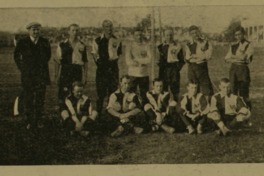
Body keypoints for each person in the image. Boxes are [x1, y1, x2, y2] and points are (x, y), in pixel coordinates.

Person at [14, 22, 51, 130]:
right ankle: (29, 121)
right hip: (28, 76)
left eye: (38, 29)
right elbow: (16, 56)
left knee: (40, 98)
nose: (36, 32)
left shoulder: (44, 42)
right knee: (28, 99)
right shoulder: (23, 42)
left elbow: (48, 56)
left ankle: (39, 120)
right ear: (29, 30)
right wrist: (23, 68)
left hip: (41, 75)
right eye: (34, 29)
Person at [91, 20, 122, 115]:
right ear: (103, 28)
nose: (109, 29)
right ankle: (99, 115)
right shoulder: (97, 40)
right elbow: (95, 55)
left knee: (112, 93)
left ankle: (111, 114)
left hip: (113, 69)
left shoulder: (117, 39)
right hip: (102, 69)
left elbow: (119, 54)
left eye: (111, 26)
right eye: (107, 27)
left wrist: (112, 63)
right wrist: (103, 65)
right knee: (101, 94)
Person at [56, 24, 88, 104]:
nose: (75, 32)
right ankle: (64, 112)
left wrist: (85, 76)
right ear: (69, 32)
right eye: (73, 30)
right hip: (65, 71)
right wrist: (57, 75)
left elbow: (85, 62)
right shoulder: (62, 44)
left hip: (77, 71)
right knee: (64, 93)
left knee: (76, 93)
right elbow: (57, 61)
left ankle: (74, 112)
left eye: (77, 30)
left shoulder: (82, 45)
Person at [225, 26, 254, 109]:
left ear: (243, 34)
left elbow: (244, 58)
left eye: (240, 34)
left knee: (244, 93)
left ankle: (247, 111)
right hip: (233, 69)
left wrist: (233, 57)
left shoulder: (249, 44)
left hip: (243, 69)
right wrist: (237, 57)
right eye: (236, 35)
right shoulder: (233, 45)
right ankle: (235, 111)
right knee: (233, 91)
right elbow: (226, 58)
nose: (238, 36)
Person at [185, 25, 214, 100]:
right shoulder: (188, 44)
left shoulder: (205, 42)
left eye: (196, 32)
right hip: (191, 68)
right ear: (190, 34)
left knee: (206, 88)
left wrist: (195, 56)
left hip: (201, 67)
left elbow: (208, 56)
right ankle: (194, 107)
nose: (195, 34)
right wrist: (196, 56)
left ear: (199, 32)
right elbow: (187, 57)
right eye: (193, 33)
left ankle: (208, 106)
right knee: (193, 88)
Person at [125, 27, 151, 105]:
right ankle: (131, 113)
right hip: (133, 74)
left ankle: (145, 113)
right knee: (131, 95)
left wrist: (137, 60)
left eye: (140, 35)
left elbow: (149, 59)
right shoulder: (130, 46)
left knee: (145, 95)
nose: (139, 37)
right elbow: (128, 61)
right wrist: (142, 62)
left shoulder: (146, 45)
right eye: (137, 35)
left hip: (144, 74)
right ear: (133, 36)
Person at [157, 29, 185, 101]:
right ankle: (164, 106)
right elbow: (158, 59)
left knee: (175, 88)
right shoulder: (160, 47)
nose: (169, 37)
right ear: (164, 36)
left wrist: (177, 68)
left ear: (173, 36)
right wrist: (160, 64)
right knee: (163, 88)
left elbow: (182, 60)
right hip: (164, 69)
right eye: (167, 35)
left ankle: (175, 105)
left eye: (170, 35)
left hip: (173, 69)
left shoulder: (177, 46)